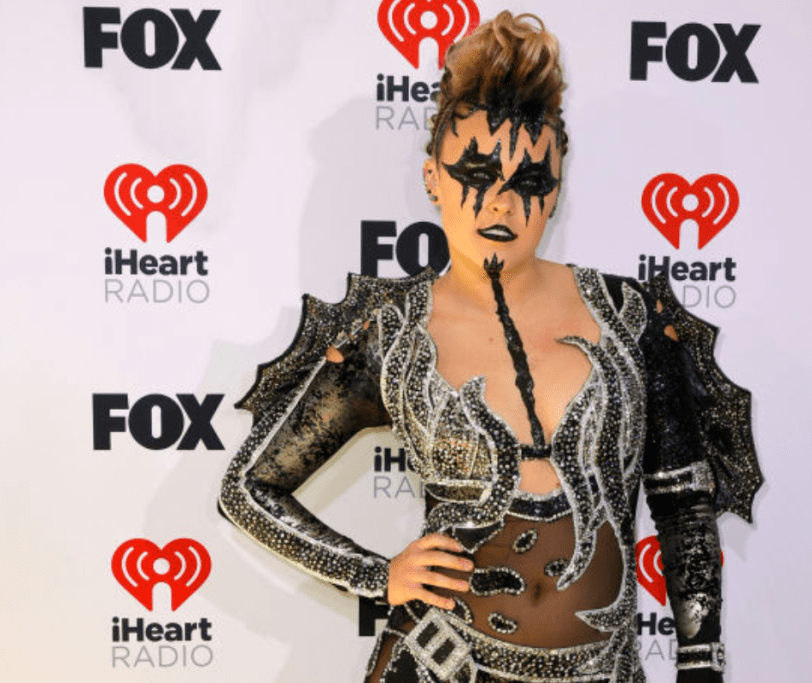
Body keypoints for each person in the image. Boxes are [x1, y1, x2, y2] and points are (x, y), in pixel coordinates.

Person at [219, 11, 760, 683]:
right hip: (439, 664)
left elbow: (684, 507)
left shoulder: (632, 319)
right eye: (477, 173)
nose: (501, 203)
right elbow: (249, 488)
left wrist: (702, 665)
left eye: (529, 182)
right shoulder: (392, 333)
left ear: (556, 189)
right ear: (432, 177)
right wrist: (376, 574)